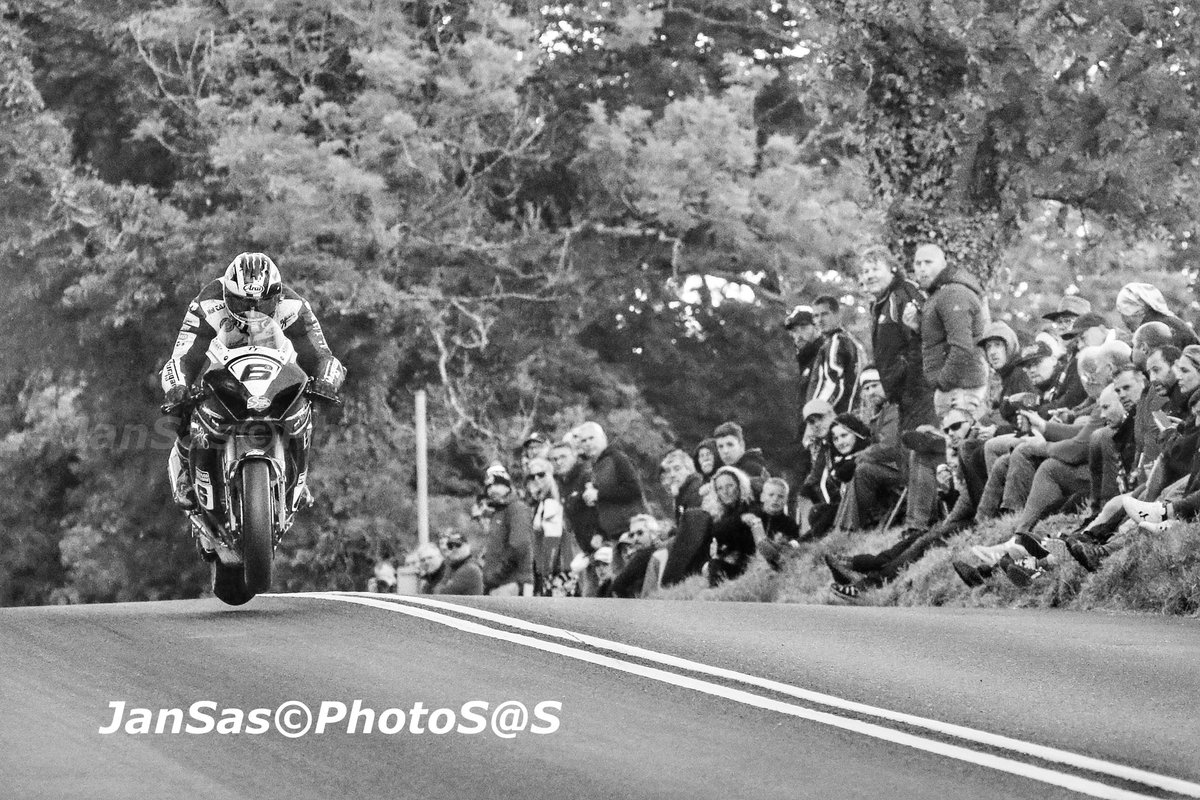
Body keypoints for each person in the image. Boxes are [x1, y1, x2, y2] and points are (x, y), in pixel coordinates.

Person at [161, 252, 346, 511]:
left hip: (274, 374)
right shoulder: (207, 304)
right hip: (224, 375)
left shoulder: (293, 307)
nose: (252, 311)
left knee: (306, 398)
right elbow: (183, 356)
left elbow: (322, 354)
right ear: (227, 294)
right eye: (241, 303)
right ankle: (185, 474)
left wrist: (327, 380)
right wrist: (178, 387)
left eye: (262, 303)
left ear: (277, 296)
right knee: (182, 402)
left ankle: (298, 477)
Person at [912, 243, 990, 420]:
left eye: (928, 262)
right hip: (955, 386)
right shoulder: (939, 293)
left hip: (961, 387)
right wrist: (917, 326)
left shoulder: (952, 293)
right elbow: (939, 340)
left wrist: (943, 382)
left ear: (943, 264)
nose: (922, 269)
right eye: (918, 263)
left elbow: (962, 345)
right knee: (954, 444)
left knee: (961, 443)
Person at [577, 421, 647, 546]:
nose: (588, 443)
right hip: (612, 536)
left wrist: (599, 494)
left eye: (591, 438)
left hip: (632, 531)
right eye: (584, 441)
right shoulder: (594, 467)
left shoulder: (617, 459)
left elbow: (634, 489)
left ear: (603, 438)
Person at [477, 463, 534, 596]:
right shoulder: (498, 512)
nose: (492, 490)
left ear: (507, 485)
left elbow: (519, 545)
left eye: (497, 484)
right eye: (489, 486)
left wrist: (495, 575)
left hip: (512, 583)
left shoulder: (516, 509)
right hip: (499, 585)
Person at [806, 295, 865, 414]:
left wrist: (815, 414)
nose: (819, 320)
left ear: (837, 314)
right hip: (853, 415)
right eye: (816, 316)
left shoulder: (836, 341)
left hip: (836, 419)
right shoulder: (852, 341)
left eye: (824, 314)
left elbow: (833, 383)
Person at [704, 466, 758, 586]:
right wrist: (739, 520)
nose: (725, 491)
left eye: (730, 486)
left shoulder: (751, 507)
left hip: (750, 566)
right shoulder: (722, 512)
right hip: (731, 563)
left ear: (739, 486)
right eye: (720, 488)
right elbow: (716, 532)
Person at [527, 456, 571, 594]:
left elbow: (553, 540)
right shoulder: (538, 504)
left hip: (556, 568)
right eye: (532, 476)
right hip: (544, 566)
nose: (536, 479)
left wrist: (546, 571)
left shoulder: (552, 503)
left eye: (541, 474)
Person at [1116, 283, 1198, 349]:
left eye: (1123, 313)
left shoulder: (1155, 328)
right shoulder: (1167, 321)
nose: (1123, 320)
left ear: (1137, 311)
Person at [784, 304, 823, 434]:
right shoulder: (804, 360)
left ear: (817, 327)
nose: (798, 334)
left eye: (804, 327)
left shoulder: (825, 354)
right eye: (794, 330)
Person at [712, 421, 770, 492]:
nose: (725, 451)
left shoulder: (752, 468)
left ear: (742, 445)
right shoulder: (724, 470)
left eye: (730, 445)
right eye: (720, 446)